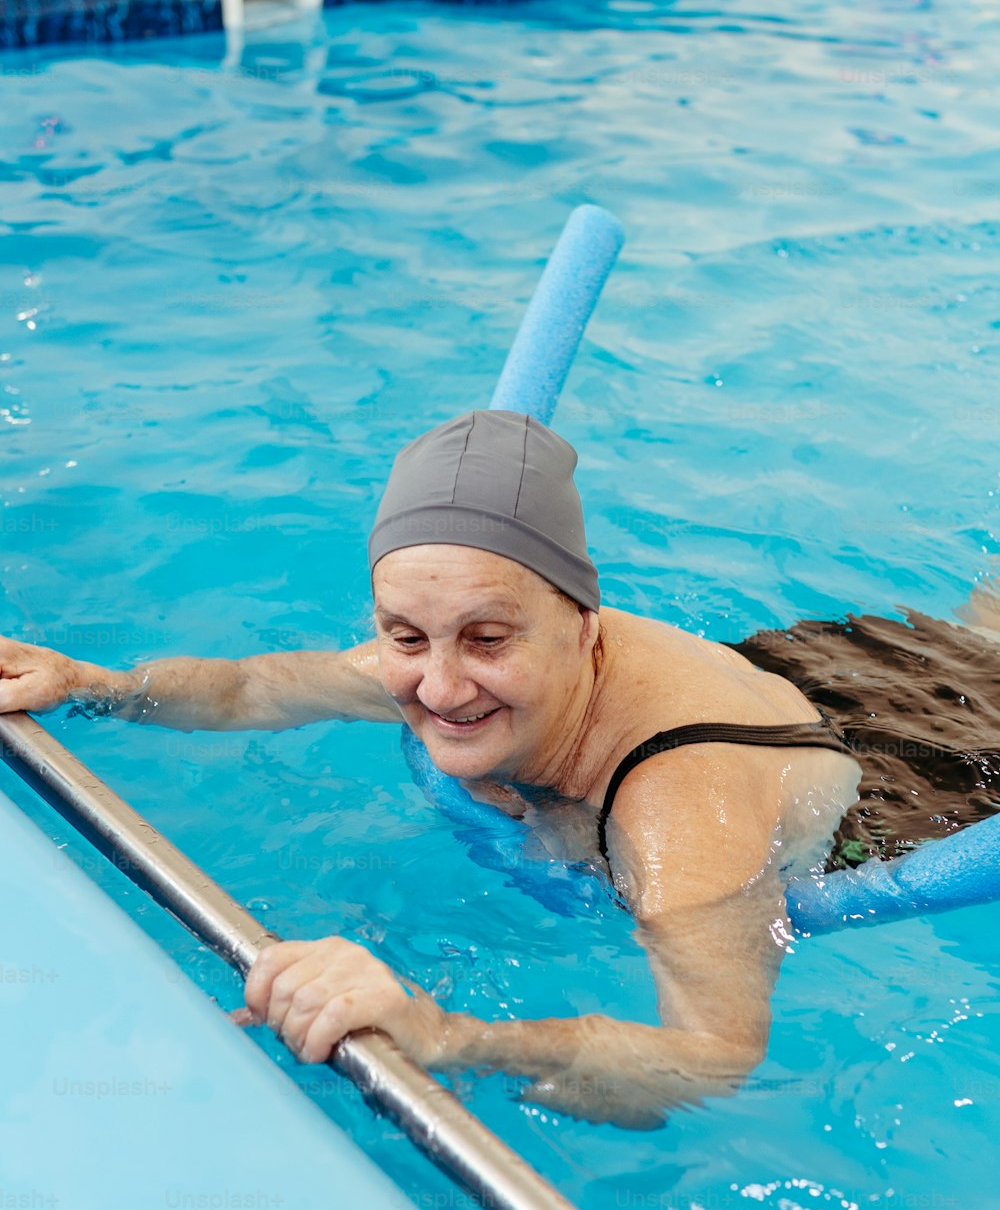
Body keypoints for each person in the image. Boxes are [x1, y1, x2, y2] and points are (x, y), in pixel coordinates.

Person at [1, 410, 997, 1127]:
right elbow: (255, 688)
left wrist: (448, 1038)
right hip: (819, 669)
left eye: (484, 640)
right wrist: (94, 682)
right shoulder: (444, 646)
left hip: (919, 774)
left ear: (582, 632)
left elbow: (715, 1055)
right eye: (404, 636)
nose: (435, 687)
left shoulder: (678, 820)